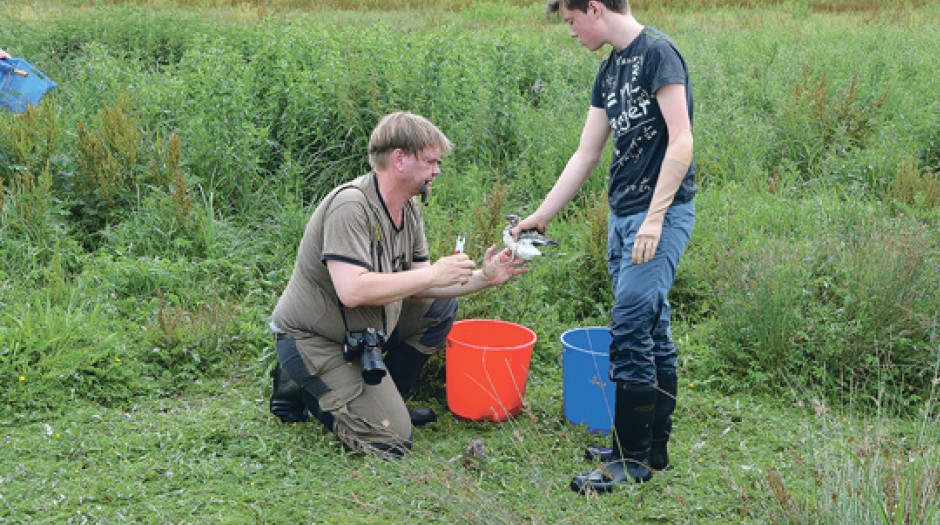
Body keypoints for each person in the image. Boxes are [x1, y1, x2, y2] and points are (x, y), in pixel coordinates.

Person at [512, 0, 696, 494]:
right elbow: (587, 151)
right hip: (623, 217)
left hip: (660, 215)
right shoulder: (611, 69)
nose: (570, 32)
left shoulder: (659, 54)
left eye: (572, 21)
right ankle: (651, 447)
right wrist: (542, 214)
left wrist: (654, 219)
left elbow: (682, 141)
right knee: (651, 326)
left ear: (594, 7)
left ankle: (627, 461)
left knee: (631, 323)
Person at [269, 111, 528, 458]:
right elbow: (352, 290)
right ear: (399, 159)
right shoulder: (351, 205)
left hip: (365, 328)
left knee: (440, 308)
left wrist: (485, 278)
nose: (437, 171)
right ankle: (300, 383)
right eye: (430, 162)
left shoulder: (408, 208)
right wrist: (434, 273)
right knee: (390, 442)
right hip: (317, 337)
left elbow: (422, 287)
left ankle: (386, 395)